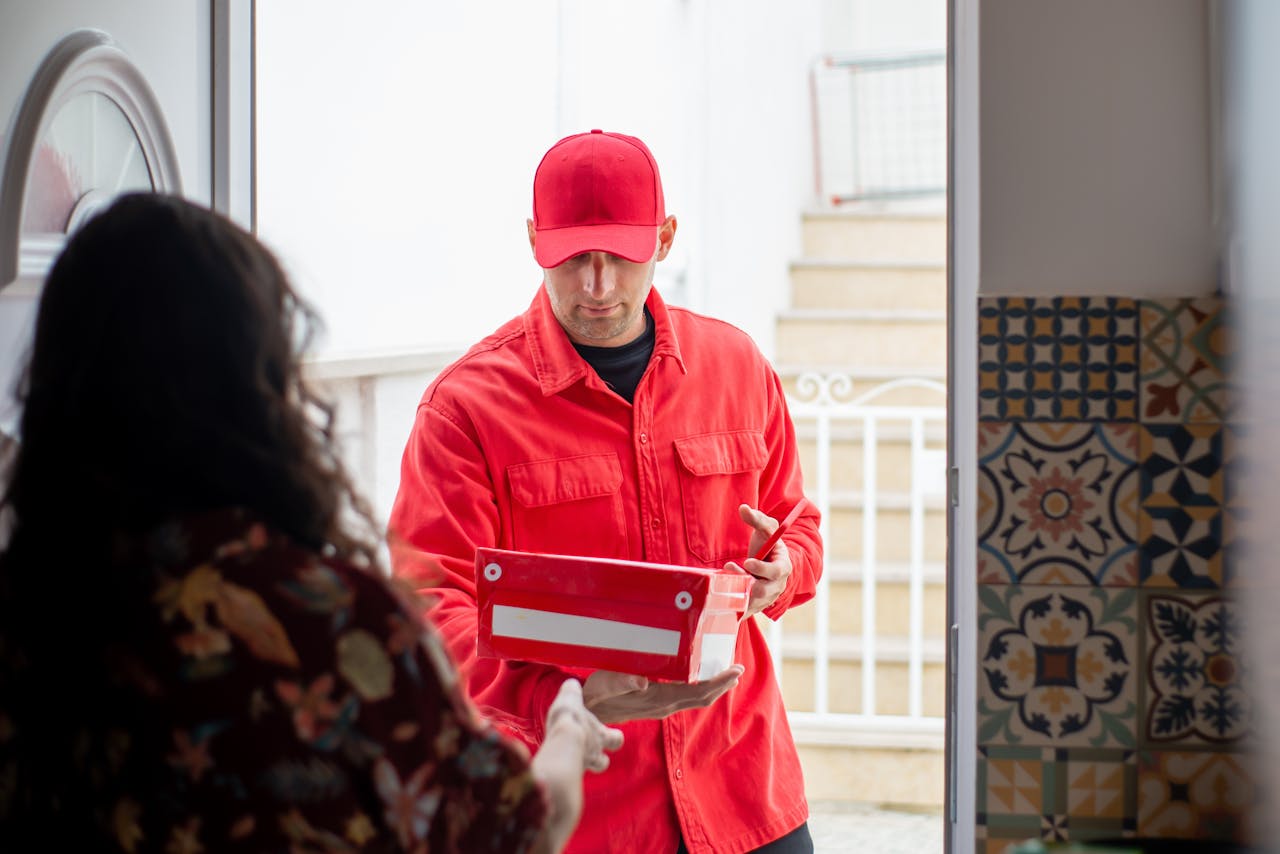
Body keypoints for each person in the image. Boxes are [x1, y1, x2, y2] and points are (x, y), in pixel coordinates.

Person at [0, 193, 622, 852]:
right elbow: (517, 828)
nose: (598, 281)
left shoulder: (26, 610)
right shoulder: (331, 624)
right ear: (256, 384)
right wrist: (566, 725)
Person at [388, 129, 823, 853]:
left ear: (666, 237)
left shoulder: (738, 367)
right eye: (572, 258)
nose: (598, 286)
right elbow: (430, 612)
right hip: (587, 812)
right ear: (534, 240)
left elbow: (795, 522)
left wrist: (781, 574)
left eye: (621, 255)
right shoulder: (464, 409)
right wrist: (560, 700)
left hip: (747, 791)